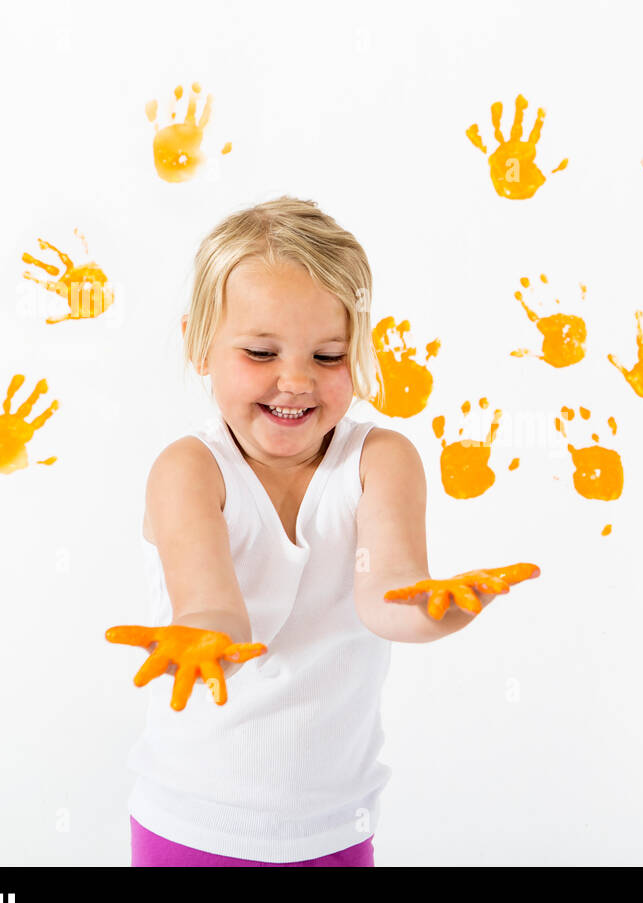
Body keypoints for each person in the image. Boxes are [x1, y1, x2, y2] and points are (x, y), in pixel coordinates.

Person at [111, 195, 537, 866]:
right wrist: (204, 634)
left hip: (334, 828)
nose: (296, 380)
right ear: (199, 344)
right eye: (260, 350)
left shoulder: (380, 460)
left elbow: (388, 593)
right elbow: (213, 600)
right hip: (191, 824)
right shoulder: (189, 469)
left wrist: (436, 608)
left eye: (330, 356)